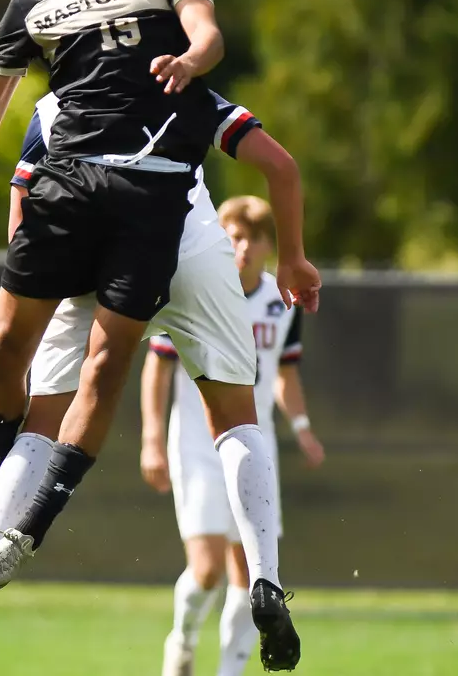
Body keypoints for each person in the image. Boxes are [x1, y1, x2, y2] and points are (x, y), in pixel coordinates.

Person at [0, 0, 316, 670]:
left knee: (94, 382)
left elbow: (210, 42)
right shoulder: (39, 41)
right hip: (103, 206)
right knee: (53, 370)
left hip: (159, 204)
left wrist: (191, 55)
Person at [0, 85, 319, 671]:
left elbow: (23, 187)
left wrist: (30, 274)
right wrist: (293, 256)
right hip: (185, 241)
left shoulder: (59, 100)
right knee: (237, 415)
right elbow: (280, 165)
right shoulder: (189, 91)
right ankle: (266, 580)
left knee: (45, 414)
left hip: (83, 245)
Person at [142, 194, 325, 676]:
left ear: (268, 244)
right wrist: (151, 440)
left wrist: (302, 428)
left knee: (251, 575)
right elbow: (157, 369)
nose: (240, 246)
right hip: (198, 445)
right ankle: (181, 641)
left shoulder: (280, 300)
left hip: (252, 448)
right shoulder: (196, 287)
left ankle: (229, 671)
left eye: (251, 237)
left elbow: (284, 375)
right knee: (206, 571)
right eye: (233, 234)